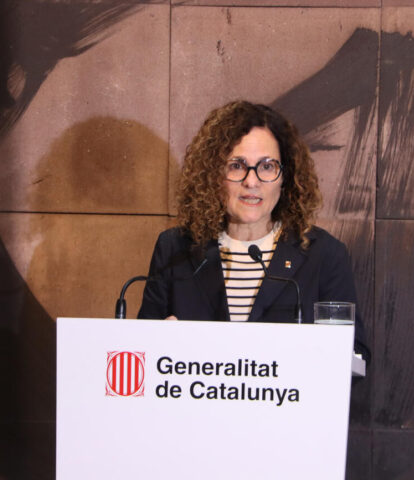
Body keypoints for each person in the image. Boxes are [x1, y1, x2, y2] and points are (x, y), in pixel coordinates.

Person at [138, 100, 368, 360]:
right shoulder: (175, 248)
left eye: (267, 166)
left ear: (285, 176)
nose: (251, 181)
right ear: (213, 174)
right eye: (236, 165)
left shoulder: (324, 254)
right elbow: (141, 352)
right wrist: (157, 343)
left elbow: (355, 357)